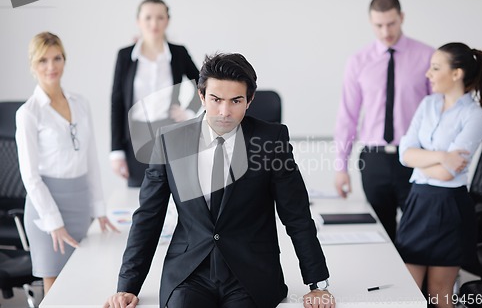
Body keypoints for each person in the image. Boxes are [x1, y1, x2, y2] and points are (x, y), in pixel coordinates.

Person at [104, 53, 335, 308]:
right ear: (201, 96)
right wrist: (127, 286)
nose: (225, 112)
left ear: (250, 100)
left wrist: (317, 284)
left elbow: (297, 214)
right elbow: (148, 216)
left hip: (250, 273)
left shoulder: (271, 141)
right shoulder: (170, 141)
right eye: (216, 100)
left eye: (236, 101)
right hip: (188, 274)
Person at [15, 32, 118, 294]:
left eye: (57, 58)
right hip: (47, 210)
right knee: (57, 293)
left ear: (64, 60)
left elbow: (91, 159)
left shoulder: (80, 103)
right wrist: (54, 222)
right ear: (32, 66)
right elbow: (30, 176)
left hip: (80, 202)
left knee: (83, 282)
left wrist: (99, 209)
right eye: (43, 60)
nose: (51, 67)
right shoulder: (28, 113)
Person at [396, 42, 482, 307]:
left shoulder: (475, 115)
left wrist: (424, 159)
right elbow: (404, 154)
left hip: (449, 207)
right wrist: (441, 155)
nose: (428, 73)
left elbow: (445, 174)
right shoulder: (427, 104)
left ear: (456, 73)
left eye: (435, 68)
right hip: (418, 203)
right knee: (408, 292)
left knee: (439, 292)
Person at [333, 0, 434, 240]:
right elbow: (348, 114)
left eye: (391, 23)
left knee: (419, 234)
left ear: (401, 18)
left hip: (414, 157)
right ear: (371, 22)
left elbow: (437, 112)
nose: (385, 31)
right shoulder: (358, 61)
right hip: (374, 159)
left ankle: (417, 281)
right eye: (379, 25)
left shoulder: (427, 56)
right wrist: (340, 166)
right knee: (381, 236)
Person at [110, 0, 201, 187]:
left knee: (174, 193)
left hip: (170, 135)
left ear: (167, 21)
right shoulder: (125, 56)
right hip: (135, 139)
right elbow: (116, 103)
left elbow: (204, 84)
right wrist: (116, 151)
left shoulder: (178, 53)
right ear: (138, 22)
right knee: (138, 198)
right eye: (148, 17)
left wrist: (190, 111)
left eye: (160, 17)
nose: (154, 23)